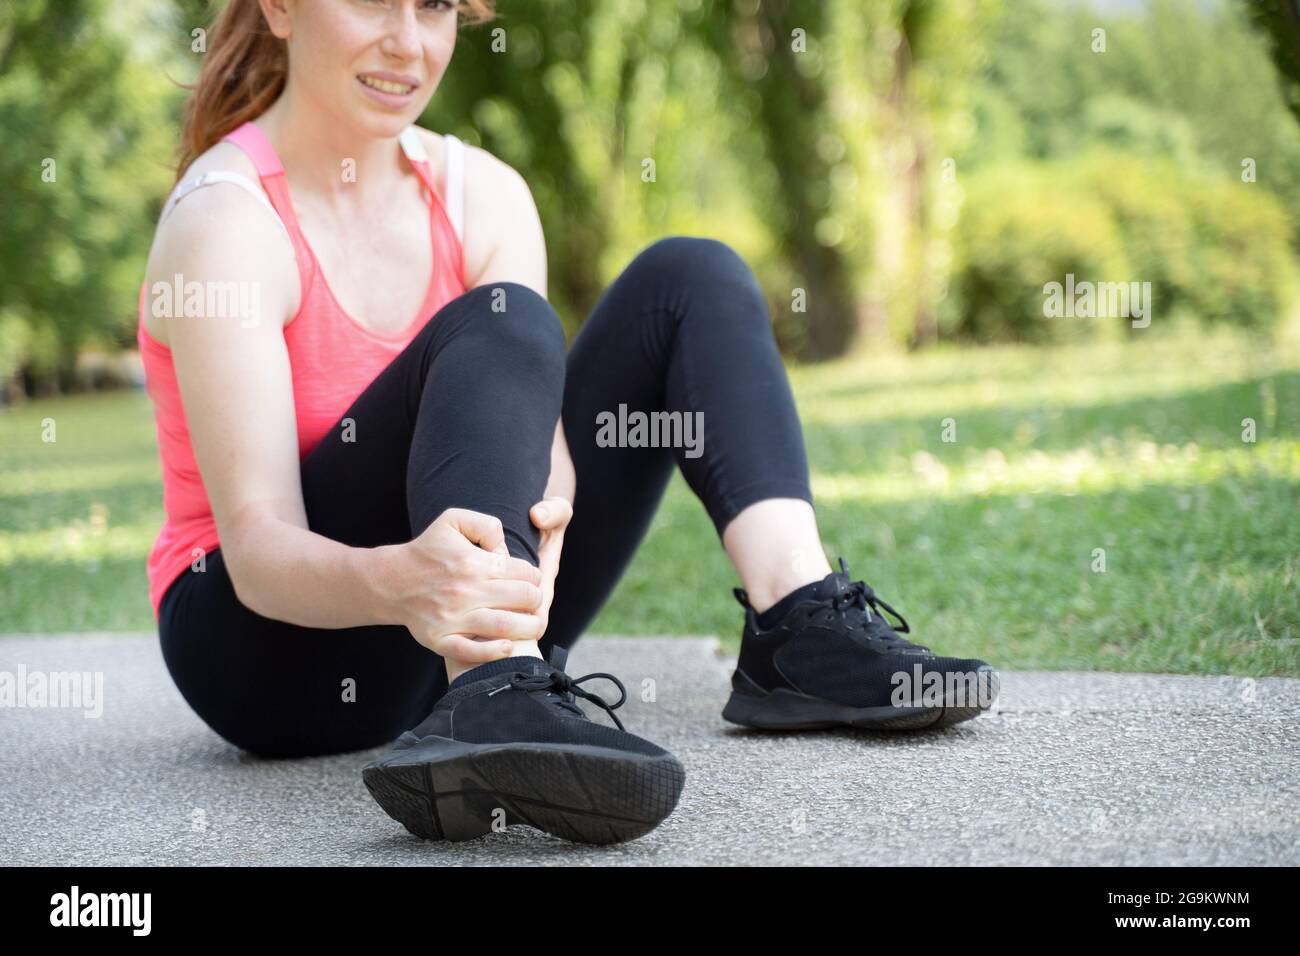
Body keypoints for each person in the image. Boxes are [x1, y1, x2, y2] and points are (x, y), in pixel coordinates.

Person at [140, 0, 997, 846]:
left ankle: (795, 629)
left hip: (459, 613)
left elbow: (532, 442)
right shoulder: (226, 220)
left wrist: (540, 514)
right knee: (501, 313)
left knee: (690, 276)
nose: (408, 41)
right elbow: (256, 555)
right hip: (271, 649)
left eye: (436, 6)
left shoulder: (483, 196)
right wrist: (414, 583)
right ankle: (492, 694)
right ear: (280, 8)